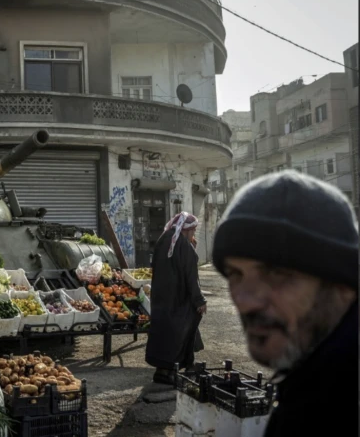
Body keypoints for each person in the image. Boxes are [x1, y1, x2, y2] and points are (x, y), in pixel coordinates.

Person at [212, 171, 358, 437]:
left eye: (276, 272)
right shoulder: (311, 387)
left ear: (343, 286)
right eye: (235, 273)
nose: (244, 300)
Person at [145, 211, 207, 385]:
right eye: (193, 231)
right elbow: (191, 277)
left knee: (163, 333)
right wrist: (199, 300)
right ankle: (173, 370)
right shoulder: (184, 246)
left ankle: (165, 370)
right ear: (187, 229)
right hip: (179, 299)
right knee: (179, 332)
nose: (193, 235)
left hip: (160, 299)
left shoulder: (163, 240)